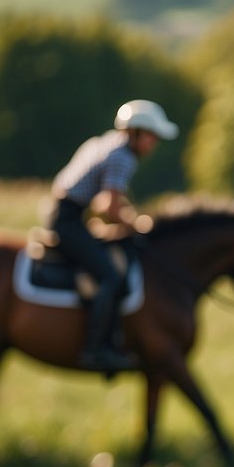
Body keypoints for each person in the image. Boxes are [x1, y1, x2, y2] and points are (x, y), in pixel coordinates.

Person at [47, 99, 178, 370]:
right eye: (151, 136)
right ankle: (96, 350)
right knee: (109, 275)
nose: (153, 144)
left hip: (65, 214)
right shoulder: (123, 157)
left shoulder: (105, 143)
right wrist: (138, 224)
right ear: (136, 132)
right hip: (68, 222)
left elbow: (103, 202)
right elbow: (109, 205)